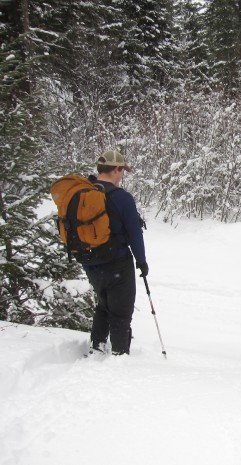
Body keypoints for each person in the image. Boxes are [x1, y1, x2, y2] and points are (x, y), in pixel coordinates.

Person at [85, 150, 148, 355]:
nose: (122, 176)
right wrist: (142, 261)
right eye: (122, 171)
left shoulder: (84, 192)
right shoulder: (122, 197)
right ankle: (120, 356)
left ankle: (97, 345)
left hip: (90, 262)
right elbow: (134, 234)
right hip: (117, 262)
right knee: (121, 312)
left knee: (104, 303)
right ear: (115, 170)